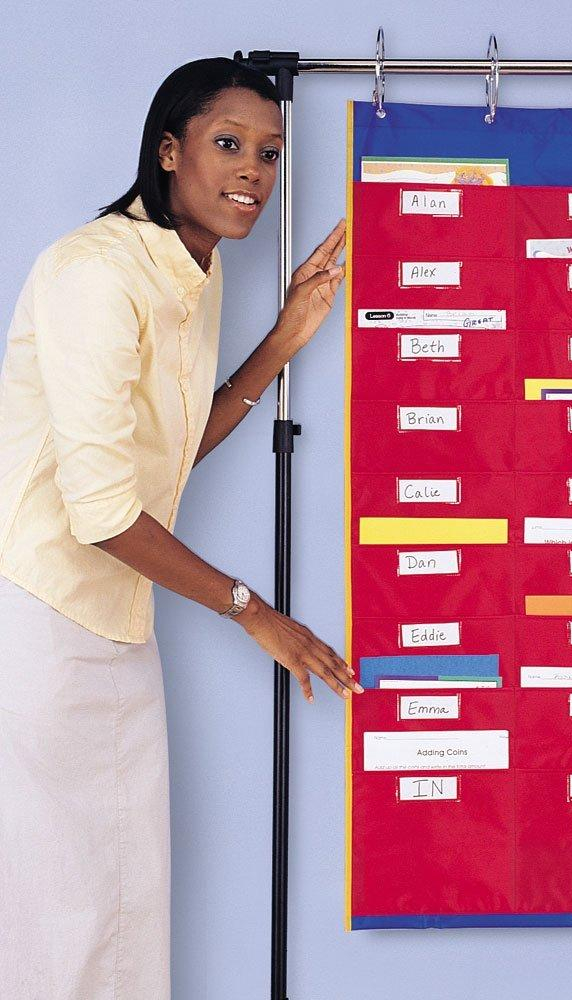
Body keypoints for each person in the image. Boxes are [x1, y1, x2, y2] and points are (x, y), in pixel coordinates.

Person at [0, 57, 361, 999]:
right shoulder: (95, 272)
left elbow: (161, 458)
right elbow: (102, 510)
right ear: (169, 152)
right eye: (228, 143)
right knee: (59, 910)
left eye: (270, 154)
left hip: (116, 622)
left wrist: (284, 338)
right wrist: (254, 612)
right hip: (40, 619)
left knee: (122, 902)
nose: (253, 171)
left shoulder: (194, 273)